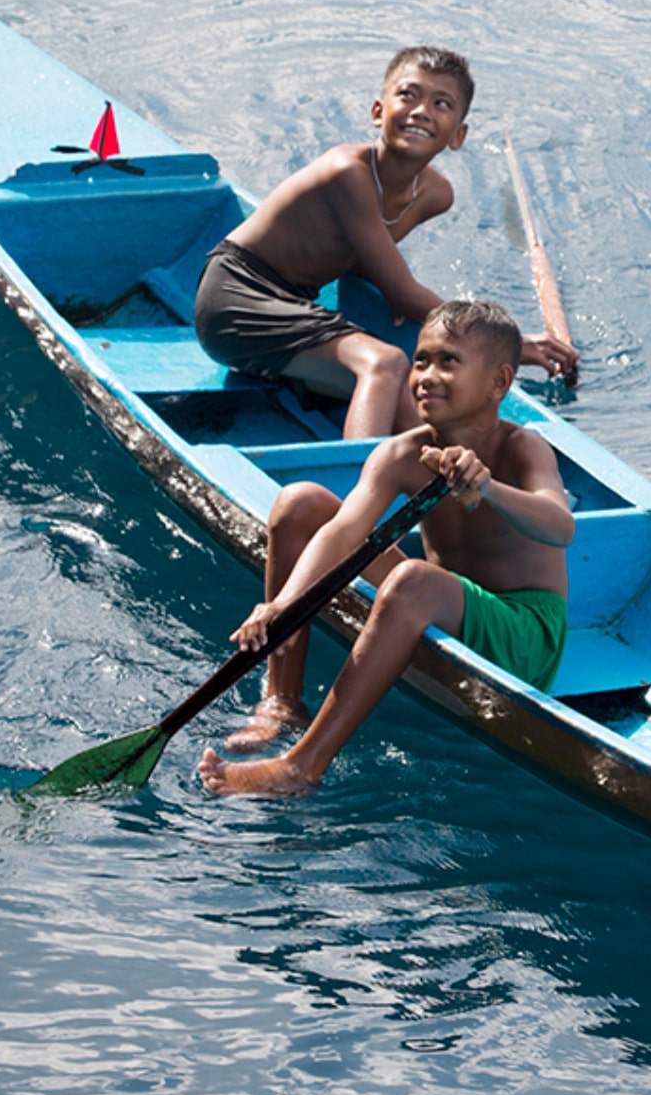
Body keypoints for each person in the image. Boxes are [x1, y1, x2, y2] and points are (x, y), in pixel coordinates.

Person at [198, 299, 573, 796]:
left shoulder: (522, 447)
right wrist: (283, 604)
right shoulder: (402, 453)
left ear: (499, 383)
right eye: (421, 361)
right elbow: (342, 531)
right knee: (301, 505)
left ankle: (302, 765)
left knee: (413, 580)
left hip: (523, 633)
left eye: (449, 362)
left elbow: (560, 527)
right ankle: (282, 702)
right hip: (454, 602)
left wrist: (488, 489)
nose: (427, 376)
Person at [193, 47, 579, 437]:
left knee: (411, 387)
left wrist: (406, 300)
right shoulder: (347, 172)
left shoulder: (435, 195)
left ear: (458, 135)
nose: (421, 111)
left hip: (297, 304)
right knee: (384, 363)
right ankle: (359, 474)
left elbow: (363, 261)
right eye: (408, 95)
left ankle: (430, 466)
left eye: (441, 103)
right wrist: (507, 344)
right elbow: (401, 292)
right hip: (235, 296)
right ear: (378, 112)